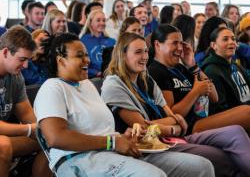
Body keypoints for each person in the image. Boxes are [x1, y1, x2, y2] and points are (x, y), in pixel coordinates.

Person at [34, 32, 214, 177]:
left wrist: (124, 136)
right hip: (78, 160)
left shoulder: (86, 85)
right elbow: (55, 138)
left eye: (87, 55)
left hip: (111, 153)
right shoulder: (52, 87)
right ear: (61, 60)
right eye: (79, 56)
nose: (87, 60)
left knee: (202, 167)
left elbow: (100, 131)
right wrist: (112, 141)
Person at [101, 32, 250, 176]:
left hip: (173, 135)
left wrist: (192, 65)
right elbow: (143, 129)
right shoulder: (115, 84)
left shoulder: (147, 80)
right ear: (122, 55)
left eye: (146, 51)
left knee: (236, 132)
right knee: (221, 156)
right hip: (150, 146)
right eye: (138, 52)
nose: (145, 57)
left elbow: (179, 117)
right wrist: (173, 125)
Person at [0, 25, 50, 177]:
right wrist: (28, 129)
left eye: (28, 60)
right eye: (22, 59)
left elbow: (26, 113)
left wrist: (42, 130)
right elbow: (28, 126)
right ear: (6, 52)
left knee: (51, 139)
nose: (26, 65)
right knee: (4, 145)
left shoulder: (15, 76)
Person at [201, 27, 250, 116]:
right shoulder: (211, 71)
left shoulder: (236, 66)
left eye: (233, 39)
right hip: (233, 119)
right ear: (213, 45)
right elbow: (220, 109)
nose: (231, 42)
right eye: (225, 39)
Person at [80, 10, 116, 78]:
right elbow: (80, 64)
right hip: (92, 78)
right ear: (90, 22)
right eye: (98, 20)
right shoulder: (83, 41)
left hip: (111, 77)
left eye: (103, 20)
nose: (102, 23)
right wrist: (96, 73)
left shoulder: (112, 41)